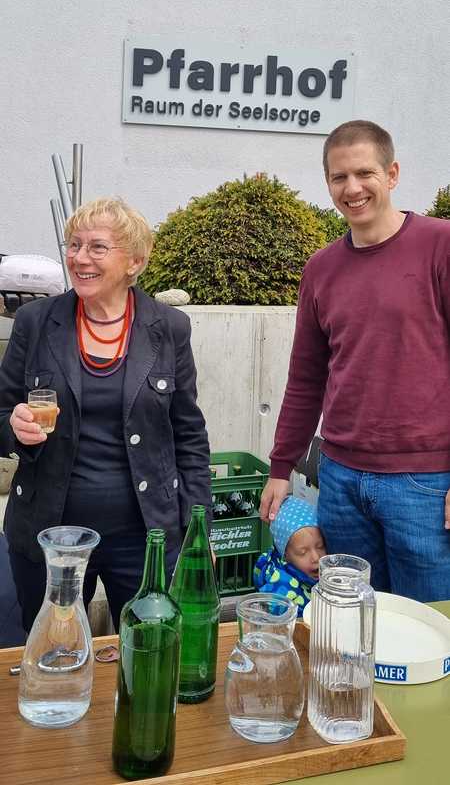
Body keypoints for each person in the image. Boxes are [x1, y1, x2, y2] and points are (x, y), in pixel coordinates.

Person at [0, 197, 211, 632]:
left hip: (145, 537)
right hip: (51, 536)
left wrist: (199, 528)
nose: (80, 258)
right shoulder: (35, 322)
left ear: (135, 261)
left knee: (148, 647)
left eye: (97, 247)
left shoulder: (169, 327)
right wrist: (14, 427)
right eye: (74, 245)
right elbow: (3, 410)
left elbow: (188, 435)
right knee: (54, 650)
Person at [260, 120, 450, 602]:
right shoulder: (321, 269)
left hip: (425, 483)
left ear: (392, 174)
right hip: (340, 479)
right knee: (351, 625)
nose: (353, 188)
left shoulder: (440, 245)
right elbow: (306, 377)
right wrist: (281, 466)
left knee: (429, 623)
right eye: (339, 177)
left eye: (365, 173)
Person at [254, 496, 326, 616]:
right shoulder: (282, 587)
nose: (315, 557)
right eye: (303, 552)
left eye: (320, 546)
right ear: (285, 555)